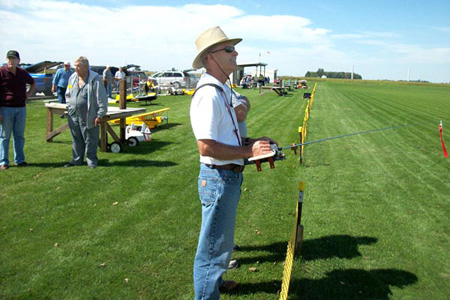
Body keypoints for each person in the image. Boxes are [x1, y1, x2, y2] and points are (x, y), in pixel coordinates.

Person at [190, 26, 277, 299]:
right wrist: (249, 152)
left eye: (233, 48)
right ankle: (208, 291)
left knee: (221, 245)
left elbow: (225, 135)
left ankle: (214, 284)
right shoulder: (208, 94)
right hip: (218, 178)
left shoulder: (221, 89)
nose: (235, 52)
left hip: (226, 178)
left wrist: (252, 143)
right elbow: (206, 146)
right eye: (228, 49)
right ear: (209, 58)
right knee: (212, 253)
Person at [64, 56, 108, 169]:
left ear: (86, 67)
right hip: (74, 114)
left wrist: (100, 114)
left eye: (78, 66)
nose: (76, 68)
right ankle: (77, 159)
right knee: (76, 138)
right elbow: (68, 93)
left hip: (89, 114)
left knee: (90, 139)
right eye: (75, 66)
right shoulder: (72, 78)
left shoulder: (95, 79)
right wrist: (69, 106)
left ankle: (91, 161)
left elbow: (101, 98)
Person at [0, 50, 35, 170]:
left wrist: (28, 94)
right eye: (9, 58)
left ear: (18, 61)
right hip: (5, 108)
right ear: (6, 60)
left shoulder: (22, 72)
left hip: (21, 108)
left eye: (13, 58)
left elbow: (32, 82)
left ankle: (20, 160)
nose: (11, 61)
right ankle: (3, 161)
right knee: (5, 136)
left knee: (19, 136)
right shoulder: (1, 72)